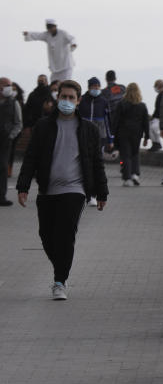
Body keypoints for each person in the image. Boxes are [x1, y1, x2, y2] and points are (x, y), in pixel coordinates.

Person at [16, 80, 108, 300]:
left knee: (65, 235)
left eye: (71, 98)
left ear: (78, 101)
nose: (66, 101)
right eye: (63, 97)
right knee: (46, 236)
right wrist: (23, 186)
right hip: (48, 190)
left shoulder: (89, 129)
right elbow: (31, 158)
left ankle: (60, 281)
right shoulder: (43, 126)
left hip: (75, 190)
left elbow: (96, 162)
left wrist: (102, 193)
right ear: (57, 99)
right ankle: (62, 265)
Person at [112, 83, 150, 187]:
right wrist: (147, 136)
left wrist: (112, 135)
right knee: (135, 153)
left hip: (123, 132)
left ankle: (127, 178)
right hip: (137, 133)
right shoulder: (142, 106)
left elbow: (116, 120)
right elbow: (145, 122)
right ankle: (135, 174)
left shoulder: (121, 104)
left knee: (126, 155)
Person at [0, 77, 24, 205]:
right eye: (7, 85)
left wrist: (11, 136)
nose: (10, 87)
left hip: (5, 140)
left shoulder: (14, 103)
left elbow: (18, 123)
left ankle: (1, 197)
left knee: (3, 168)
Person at [77, 76, 114, 155]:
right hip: (84, 134)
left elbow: (108, 122)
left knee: (97, 157)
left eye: (98, 86)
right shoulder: (81, 100)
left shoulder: (104, 102)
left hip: (100, 136)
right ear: (89, 87)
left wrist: (110, 140)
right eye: (94, 86)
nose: (96, 88)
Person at [7, 81, 25, 177]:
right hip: (5, 131)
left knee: (11, 150)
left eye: (15, 89)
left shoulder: (18, 102)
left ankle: (9, 169)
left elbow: (20, 120)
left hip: (15, 131)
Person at [148, 79, 163, 151]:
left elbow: (159, 108)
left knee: (154, 128)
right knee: (150, 128)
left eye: (155, 86)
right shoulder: (160, 95)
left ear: (158, 86)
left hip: (160, 118)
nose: (154, 88)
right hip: (157, 117)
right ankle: (155, 143)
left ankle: (157, 144)